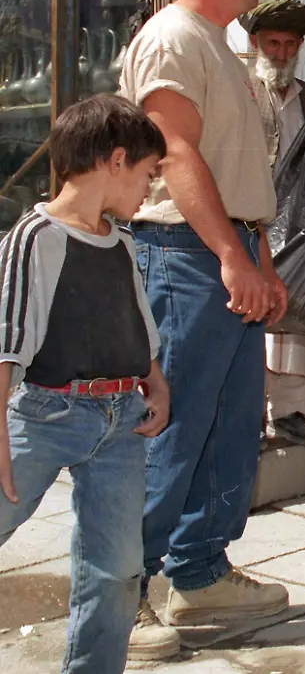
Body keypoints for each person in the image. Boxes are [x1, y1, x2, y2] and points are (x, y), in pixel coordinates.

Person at [119, 0, 291, 657]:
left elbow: (234, 170)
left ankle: (198, 570)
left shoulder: (220, 46)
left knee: (228, 433)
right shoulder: (171, 38)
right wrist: (229, 254)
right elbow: (176, 154)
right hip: (185, 255)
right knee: (173, 428)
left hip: (224, 251)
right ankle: (120, 595)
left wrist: (259, 256)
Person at [0, 95, 170, 672]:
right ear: (116, 159)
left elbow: (135, 324)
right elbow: (8, 343)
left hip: (120, 423)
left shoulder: (122, 243)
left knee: (118, 569)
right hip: (45, 418)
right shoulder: (36, 237)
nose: (150, 188)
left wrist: (155, 381)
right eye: (149, 174)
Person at [240, 0, 305, 447]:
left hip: (299, 225)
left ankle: (291, 413)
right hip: (251, 221)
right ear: (256, 43)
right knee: (252, 319)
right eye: (273, 42)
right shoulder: (242, 90)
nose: (281, 52)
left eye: (290, 44)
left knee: (300, 322)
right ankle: (248, 415)